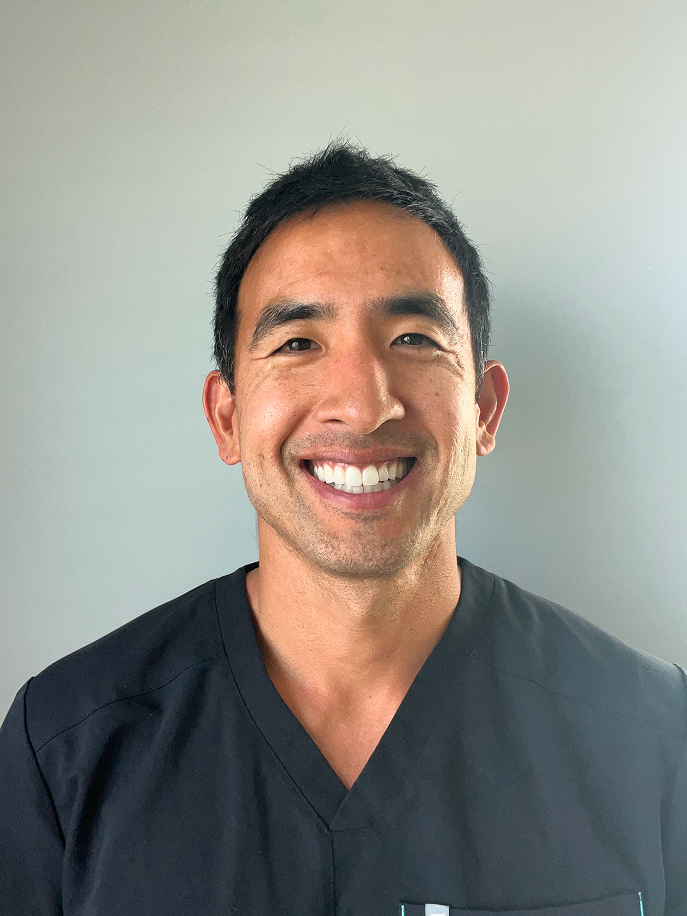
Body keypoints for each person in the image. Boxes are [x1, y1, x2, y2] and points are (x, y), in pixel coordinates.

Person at [1, 142, 685, 916]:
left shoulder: (652, 735)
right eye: (298, 343)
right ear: (227, 418)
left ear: (484, 411)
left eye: (414, 339)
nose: (362, 406)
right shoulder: (65, 746)